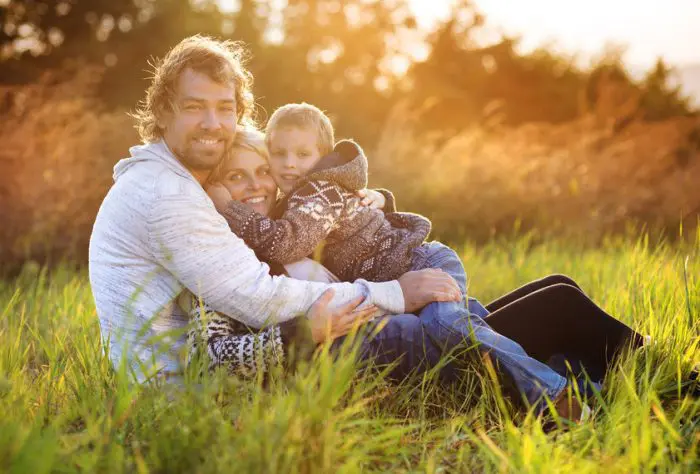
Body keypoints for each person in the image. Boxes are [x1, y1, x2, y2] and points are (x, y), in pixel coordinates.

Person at [88, 35, 462, 384]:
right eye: (194, 107)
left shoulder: (185, 184)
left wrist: (373, 198)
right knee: (421, 331)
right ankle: (519, 379)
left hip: (237, 370)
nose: (212, 123)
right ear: (163, 112)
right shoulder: (168, 194)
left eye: (225, 108)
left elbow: (311, 209)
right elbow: (258, 300)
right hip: (183, 396)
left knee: (455, 322)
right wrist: (392, 294)